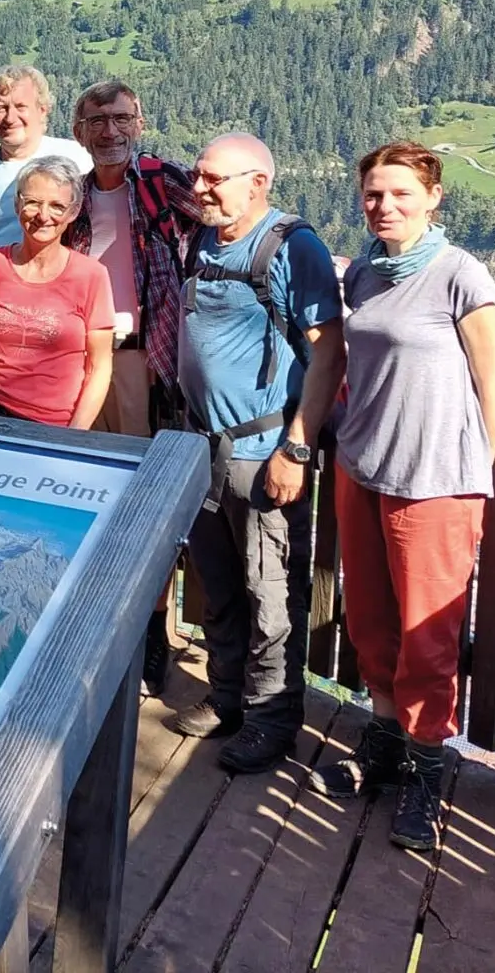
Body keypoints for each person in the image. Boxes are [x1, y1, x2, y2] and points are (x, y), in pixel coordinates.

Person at [309, 141, 495, 853]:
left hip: (435, 485)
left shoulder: (461, 275)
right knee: (370, 622)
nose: (384, 206)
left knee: (428, 636)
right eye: (373, 195)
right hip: (362, 469)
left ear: (433, 198)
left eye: (399, 194)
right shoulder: (362, 270)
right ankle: (384, 750)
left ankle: (425, 774)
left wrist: (472, 479)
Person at [169, 133, 345, 777]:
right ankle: (227, 699)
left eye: (216, 179)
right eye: (199, 176)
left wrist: (296, 449)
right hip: (202, 445)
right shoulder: (202, 240)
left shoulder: (292, 248)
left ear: (258, 183)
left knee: (271, 591)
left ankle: (272, 720)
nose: (202, 188)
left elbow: (329, 351)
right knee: (217, 585)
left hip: (264, 449)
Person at [65, 79, 202, 697]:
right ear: (78, 131)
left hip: (147, 359)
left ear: (139, 121)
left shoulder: (165, 181)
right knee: (91, 490)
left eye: (120, 119)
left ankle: (152, 635)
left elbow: (224, 228)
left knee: (145, 502)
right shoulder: (72, 194)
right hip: (83, 356)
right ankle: (92, 626)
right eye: (97, 121)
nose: (110, 132)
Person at [0, 155, 114, 428]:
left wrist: (73, 437)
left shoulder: (91, 276)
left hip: (52, 425)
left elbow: (98, 367)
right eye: (33, 203)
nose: (43, 215)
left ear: (73, 213)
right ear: (17, 205)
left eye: (57, 206)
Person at [0, 65, 92, 298]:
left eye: (21, 107)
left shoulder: (77, 159)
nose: (10, 118)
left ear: (43, 110)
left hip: (57, 300)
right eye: (1, 108)